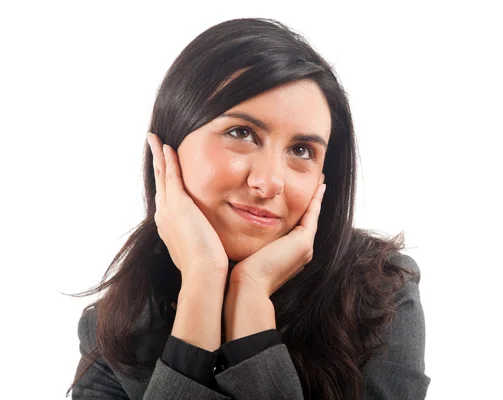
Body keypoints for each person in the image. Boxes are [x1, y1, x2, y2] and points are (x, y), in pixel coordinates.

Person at [67, 17, 431, 400]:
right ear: (169, 145)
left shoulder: (379, 291)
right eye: (241, 133)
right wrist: (202, 283)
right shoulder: (113, 328)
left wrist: (251, 302)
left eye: (302, 151)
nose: (270, 181)